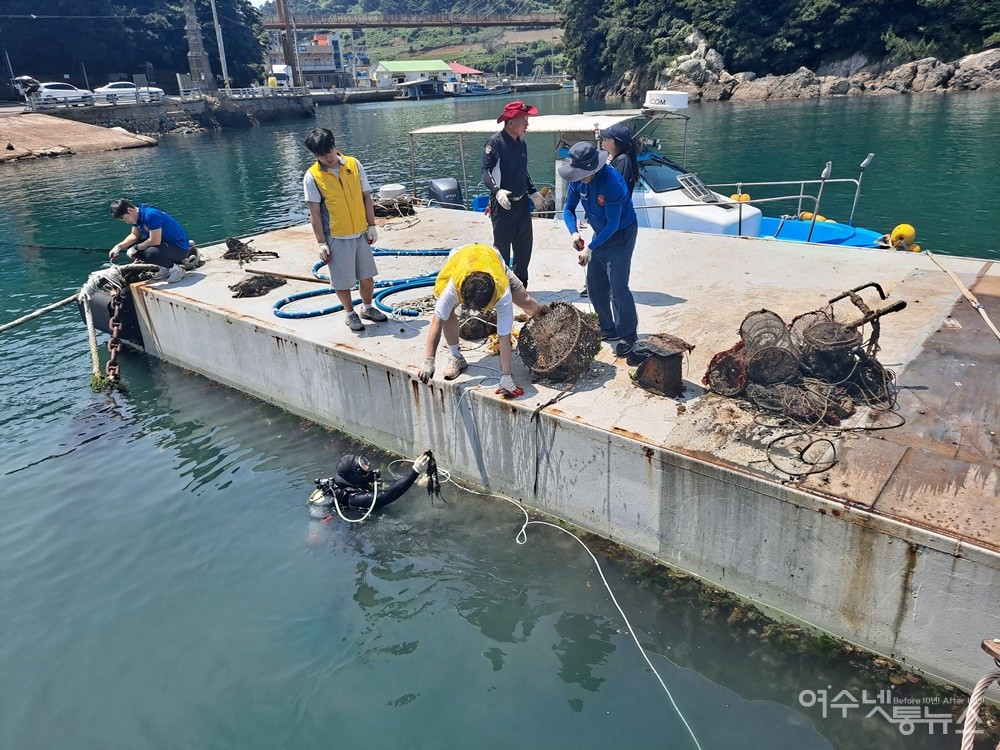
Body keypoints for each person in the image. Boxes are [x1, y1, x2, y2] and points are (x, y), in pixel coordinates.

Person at [417, 242, 542, 398]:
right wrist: (429, 360)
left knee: (527, 302)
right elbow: (437, 320)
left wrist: (506, 377)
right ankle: (456, 356)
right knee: (447, 312)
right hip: (461, 261)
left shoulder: (502, 292)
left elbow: (504, 337)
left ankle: (547, 325)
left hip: (491, 259)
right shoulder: (453, 287)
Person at [303, 127, 387, 332]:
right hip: (336, 237)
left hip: (360, 232)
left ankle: (367, 308)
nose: (328, 157)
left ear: (334, 144)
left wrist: (372, 225)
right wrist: (321, 242)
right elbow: (314, 213)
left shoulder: (353, 164)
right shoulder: (312, 177)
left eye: (329, 151)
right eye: (322, 155)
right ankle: (350, 313)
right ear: (316, 155)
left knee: (367, 276)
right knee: (342, 281)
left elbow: (366, 196)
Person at [560, 141, 640, 358]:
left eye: (581, 174)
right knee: (595, 284)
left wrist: (591, 248)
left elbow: (613, 225)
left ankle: (628, 336)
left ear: (593, 169)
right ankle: (607, 328)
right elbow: (568, 209)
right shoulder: (578, 181)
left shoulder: (613, 183)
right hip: (600, 232)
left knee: (618, 287)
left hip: (621, 234)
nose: (578, 178)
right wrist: (574, 232)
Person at [482, 101, 546, 288]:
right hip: (503, 204)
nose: (527, 124)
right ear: (511, 122)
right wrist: (497, 191)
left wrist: (533, 192)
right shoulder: (495, 143)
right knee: (501, 249)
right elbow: (486, 171)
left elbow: (522, 171)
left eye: (527, 120)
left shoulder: (522, 144)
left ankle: (520, 287)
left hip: (522, 204)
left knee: (524, 248)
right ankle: (502, 288)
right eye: (523, 120)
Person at [309, 451, 432, 522]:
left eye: (365, 462)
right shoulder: (354, 497)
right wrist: (415, 471)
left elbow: (387, 485)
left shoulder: (353, 481)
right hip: (353, 522)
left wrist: (415, 482)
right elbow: (387, 496)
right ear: (355, 474)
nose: (368, 468)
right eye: (363, 468)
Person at [108, 199, 193, 283]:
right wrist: (118, 247)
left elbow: (155, 241)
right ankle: (165, 268)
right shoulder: (136, 218)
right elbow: (134, 236)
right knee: (132, 246)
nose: (126, 222)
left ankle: (176, 270)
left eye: (124, 218)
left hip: (180, 248)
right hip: (165, 245)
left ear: (130, 210)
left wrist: (136, 247)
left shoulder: (150, 215)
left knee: (150, 253)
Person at [599, 123, 639, 196]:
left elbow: (616, 186)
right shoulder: (610, 158)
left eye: (606, 139)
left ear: (616, 142)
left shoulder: (623, 160)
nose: (602, 141)